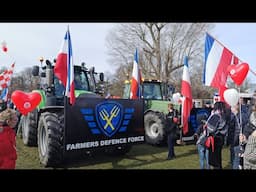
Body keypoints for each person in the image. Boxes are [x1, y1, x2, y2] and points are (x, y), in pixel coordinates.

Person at [206, 101, 228, 169]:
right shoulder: (224, 115)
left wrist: (207, 125)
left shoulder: (216, 115)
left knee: (214, 159)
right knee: (218, 157)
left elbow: (211, 128)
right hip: (221, 137)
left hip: (215, 138)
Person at [227, 103, 249, 169]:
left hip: (238, 141)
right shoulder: (231, 115)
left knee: (236, 160)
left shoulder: (242, 115)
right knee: (233, 159)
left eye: (233, 106)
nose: (231, 108)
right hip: (233, 141)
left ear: (237, 106)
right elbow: (230, 128)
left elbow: (241, 126)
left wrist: (236, 114)